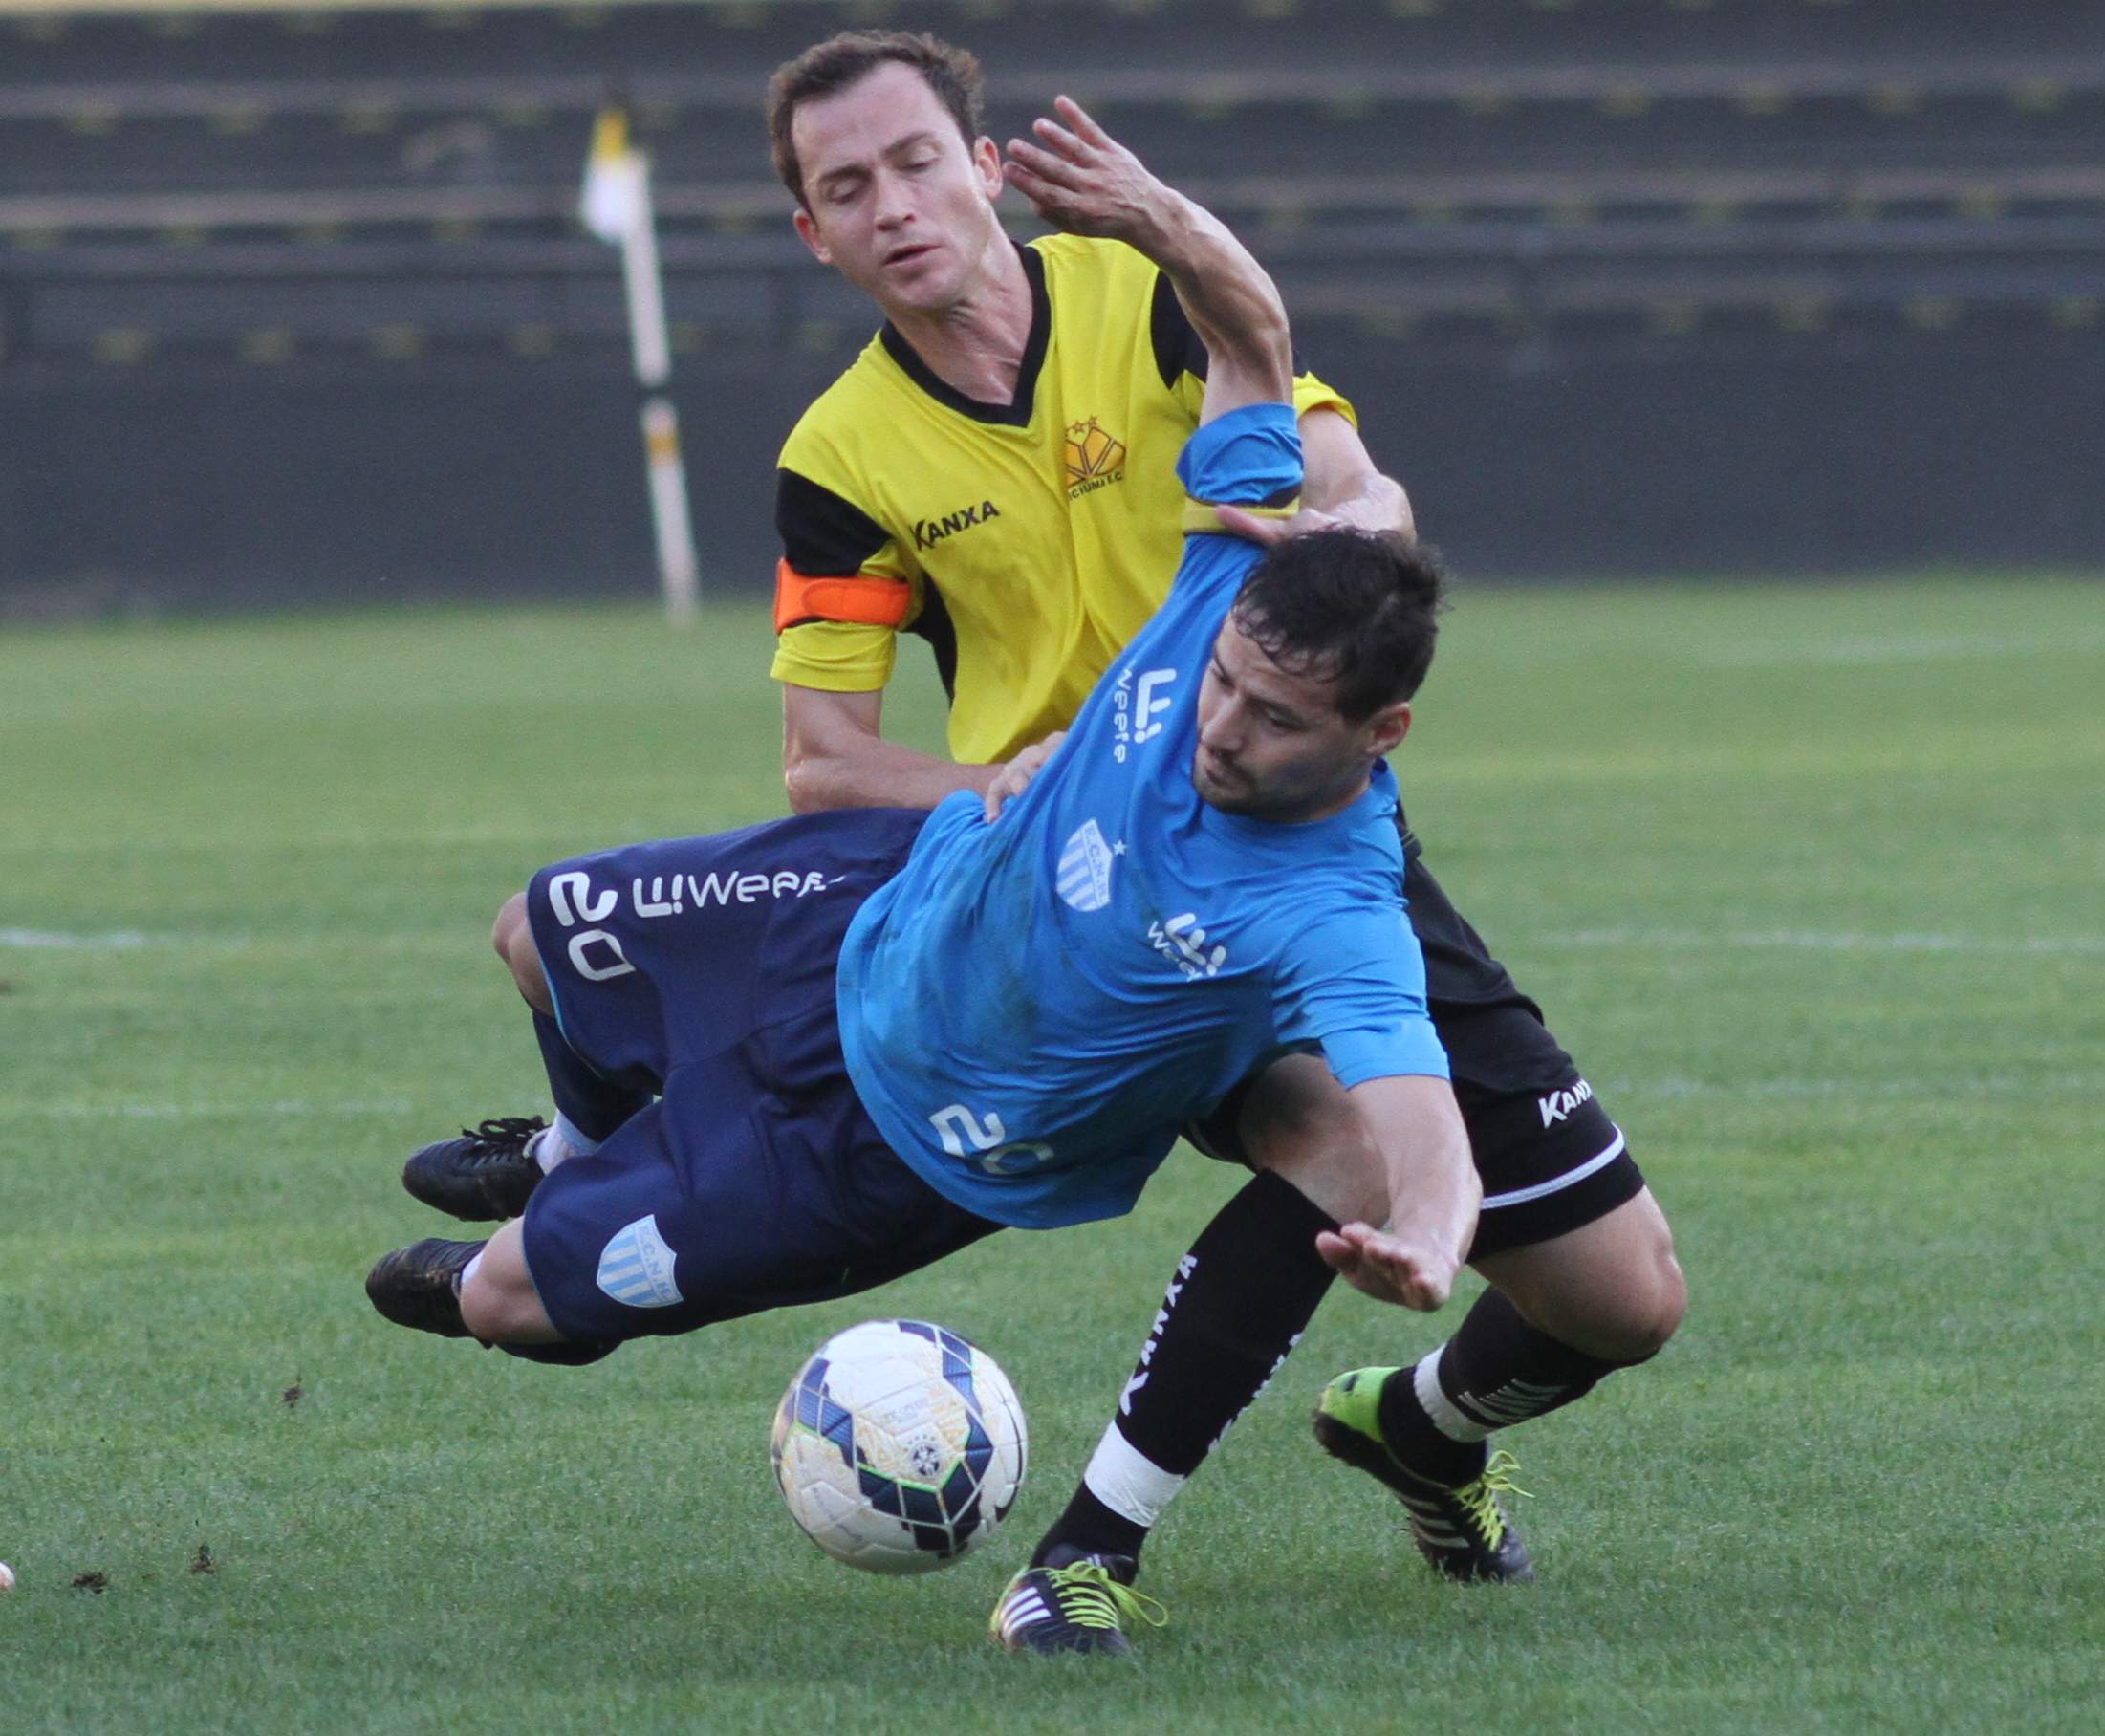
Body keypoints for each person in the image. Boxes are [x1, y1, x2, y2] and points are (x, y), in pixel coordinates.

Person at [404, 30, 1684, 1629]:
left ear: (989, 166)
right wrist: (1006, 781)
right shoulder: (840, 455)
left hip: (1275, 838)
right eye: (847, 188)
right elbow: (824, 762)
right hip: (1025, 882)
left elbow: (1365, 495)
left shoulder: (1141, 297)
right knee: (548, 938)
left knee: (1622, 1300)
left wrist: (1322, 543)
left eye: (916, 161)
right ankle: (1084, 1553)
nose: (893, 205)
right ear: (814, 233)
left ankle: (1418, 1430)